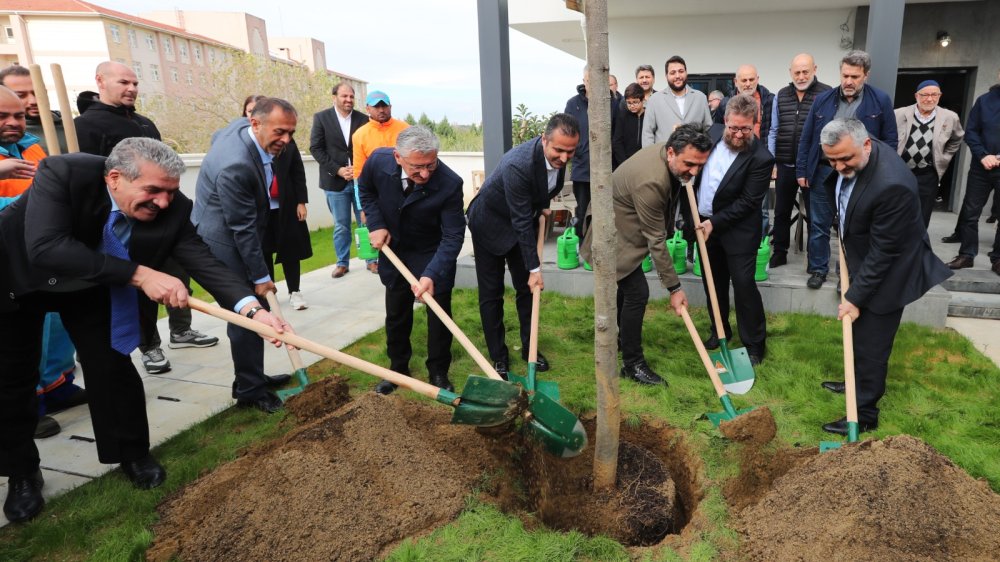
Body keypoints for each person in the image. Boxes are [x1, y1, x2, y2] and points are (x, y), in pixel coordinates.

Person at [0, 137, 289, 523]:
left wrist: (253, 311)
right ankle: (22, 471)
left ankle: (131, 453)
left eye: (170, 191)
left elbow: (200, 258)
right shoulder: (63, 173)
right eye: (153, 191)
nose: (164, 202)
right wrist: (140, 274)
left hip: (89, 285)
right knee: (11, 378)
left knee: (110, 364)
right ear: (115, 178)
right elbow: (47, 247)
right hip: (18, 278)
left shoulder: (173, 206)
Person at [75, 61, 218, 374]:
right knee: (138, 285)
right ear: (100, 81)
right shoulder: (86, 125)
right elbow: (91, 177)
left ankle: (181, 330)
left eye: (136, 83)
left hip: (159, 220)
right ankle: (148, 344)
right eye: (124, 82)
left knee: (178, 274)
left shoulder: (144, 122)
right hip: (122, 223)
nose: (131, 88)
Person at [817, 119, 951, 435]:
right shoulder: (856, 149)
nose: (837, 167)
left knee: (872, 343)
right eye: (831, 160)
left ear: (866, 146)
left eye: (844, 159)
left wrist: (853, 297)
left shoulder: (892, 185)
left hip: (892, 271)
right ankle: (855, 381)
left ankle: (863, 414)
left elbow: (884, 255)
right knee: (859, 334)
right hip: (867, 255)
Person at [581, 124, 711, 385]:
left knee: (626, 289)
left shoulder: (666, 156)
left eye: (700, 166)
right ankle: (633, 364)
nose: (694, 172)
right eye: (689, 164)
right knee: (637, 292)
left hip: (624, 226)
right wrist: (675, 288)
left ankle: (620, 339)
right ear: (672, 152)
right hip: (612, 234)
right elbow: (656, 240)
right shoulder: (651, 180)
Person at [192, 97, 298, 414]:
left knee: (257, 309)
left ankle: (251, 376)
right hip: (224, 241)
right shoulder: (235, 166)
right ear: (255, 123)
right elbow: (242, 228)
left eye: (291, 132)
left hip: (240, 230)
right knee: (248, 313)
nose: (287, 140)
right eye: (280, 132)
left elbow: (217, 136)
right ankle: (250, 391)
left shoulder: (239, 128)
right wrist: (261, 277)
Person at [0, 86, 86, 439]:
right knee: (18, 344)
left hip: (43, 255)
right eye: (3, 116)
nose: (14, 122)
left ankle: (56, 386)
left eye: (19, 115)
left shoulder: (32, 146)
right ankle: (26, 406)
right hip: (7, 265)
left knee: (54, 327)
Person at [466, 114, 580, 379]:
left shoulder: (558, 158)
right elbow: (518, 219)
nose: (564, 158)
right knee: (491, 292)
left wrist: (542, 205)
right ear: (544, 140)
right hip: (490, 224)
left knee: (527, 290)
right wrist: (535, 267)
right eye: (559, 150)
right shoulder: (517, 164)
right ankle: (499, 357)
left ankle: (530, 350)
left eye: (570, 152)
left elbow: (543, 188)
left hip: (520, 221)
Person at [359, 126, 465, 395]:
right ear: (398, 157)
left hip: (432, 250)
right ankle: (397, 370)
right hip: (394, 248)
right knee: (396, 313)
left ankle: (438, 373)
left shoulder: (450, 183)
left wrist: (430, 274)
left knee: (439, 315)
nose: (426, 173)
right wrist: (376, 224)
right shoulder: (377, 162)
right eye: (417, 167)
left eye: (431, 164)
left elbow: (453, 236)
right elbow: (366, 191)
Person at [796, 50, 897, 290]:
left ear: (866, 75)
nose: (849, 81)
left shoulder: (880, 101)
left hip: (859, 174)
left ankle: (848, 273)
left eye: (855, 76)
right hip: (823, 171)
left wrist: (882, 174)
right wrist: (802, 170)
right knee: (818, 224)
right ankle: (818, 269)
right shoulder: (822, 100)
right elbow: (807, 137)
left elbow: (890, 141)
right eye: (845, 75)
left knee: (853, 226)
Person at [693, 94, 773, 365]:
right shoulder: (712, 133)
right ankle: (719, 331)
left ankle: (753, 344)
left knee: (743, 286)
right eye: (734, 127)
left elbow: (748, 202)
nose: (738, 134)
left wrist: (714, 222)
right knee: (712, 284)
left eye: (745, 129)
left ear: (755, 125)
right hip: (704, 225)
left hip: (738, 232)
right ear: (725, 120)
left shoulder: (761, 158)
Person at [243, 96, 312, 311]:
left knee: (291, 249)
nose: (285, 137)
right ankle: (269, 294)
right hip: (260, 210)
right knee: (263, 251)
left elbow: (297, 172)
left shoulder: (284, 142)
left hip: (286, 206)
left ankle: (295, 291)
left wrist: (301, 201)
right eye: (249, 110)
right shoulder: (243, 147)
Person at [767, 53, 832, 268]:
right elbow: (774, 130)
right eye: (797, 72)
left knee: (815, 216)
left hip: (813, 167)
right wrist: (773, 163)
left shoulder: (826, 94)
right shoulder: (781, 95)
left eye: (806, 71)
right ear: (790, 73)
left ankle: (815, 259)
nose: (801, 76)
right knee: (781, 212)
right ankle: (779, 252)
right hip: (785, 164)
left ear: (815, 69)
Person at [310, 83, 368, 278]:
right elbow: (316, 149)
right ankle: (342, 263)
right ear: (334, 97)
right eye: (344, 96)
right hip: (335, 182)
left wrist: (359, 170)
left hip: (360, 182)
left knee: (366, 222)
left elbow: (367, 147)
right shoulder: (321, 118)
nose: (348, 100)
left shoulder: (363, 119)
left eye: (351, 97)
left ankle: (371, 259)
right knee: (341, 225)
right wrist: (338, 170)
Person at [944, 73, 1000, 273]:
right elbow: (972, 131)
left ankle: (998, 259)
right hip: (981, 166)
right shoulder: (984, 101)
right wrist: (983, 155)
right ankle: (967, 255)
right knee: (970, 213)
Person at [352, 90, 409, 274]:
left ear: (390, 106)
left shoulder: (405, 129)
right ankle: (389, 272)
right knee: (384, 233)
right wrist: (363, 208)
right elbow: (358, 173)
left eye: (384, 105)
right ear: (368, 108)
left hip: (405, 190)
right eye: (377, 106)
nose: (381, 109)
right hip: (378, 195)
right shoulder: (360, 135)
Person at [894, 80, 965, 228]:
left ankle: (917, 248)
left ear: (939, 96)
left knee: (922, 214)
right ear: (916, 96)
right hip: (900, 171)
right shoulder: (899, 114)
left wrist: (945, 157)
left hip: (928, 173)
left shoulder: (950, 117)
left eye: (934, 94)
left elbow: (957, 139)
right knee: (897, 210)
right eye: (925, 95)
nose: (929, 99)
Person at [564, 66, 617, 238]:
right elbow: (567, 132)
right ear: (584, 81)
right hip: (582, 169)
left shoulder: (612, 102)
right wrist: (578, 151)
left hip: (607, 169)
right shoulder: (573, 104)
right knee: (582, 210)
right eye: (588, 81)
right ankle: (582, 246)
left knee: (604, 210)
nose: (592, 85)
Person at [641, 56, 713, 146]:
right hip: (664, 157)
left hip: (695, 156)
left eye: (681, 71)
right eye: (672, 73)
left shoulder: (700, 98)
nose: (677, 76)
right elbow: (647, 133)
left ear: (686, 73)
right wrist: (651, 158)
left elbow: (709, 129)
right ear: (666, 76)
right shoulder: (654, 100)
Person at [0, 64, 68, 154]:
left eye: (37, 93)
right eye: (20, 95)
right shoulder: (8, 135)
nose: (33, 101)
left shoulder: (69, 126)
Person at [714, 65, 774, 141]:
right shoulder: (725, 104)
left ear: (757, 79)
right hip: (735, 149)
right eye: (744, 80)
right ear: (736, 82)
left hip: (762, 149)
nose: (748, 84)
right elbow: (719, 131)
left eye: (751, 80)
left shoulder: (770, 100)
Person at [612, 82, 646, 169]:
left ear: (643, 100)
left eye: (635, 102)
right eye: (629, 103)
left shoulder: (649, 116)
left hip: (645, 161)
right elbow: (617, 142)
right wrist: (624, 163)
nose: (632, 106)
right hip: (626, 162)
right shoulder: (622, 116)